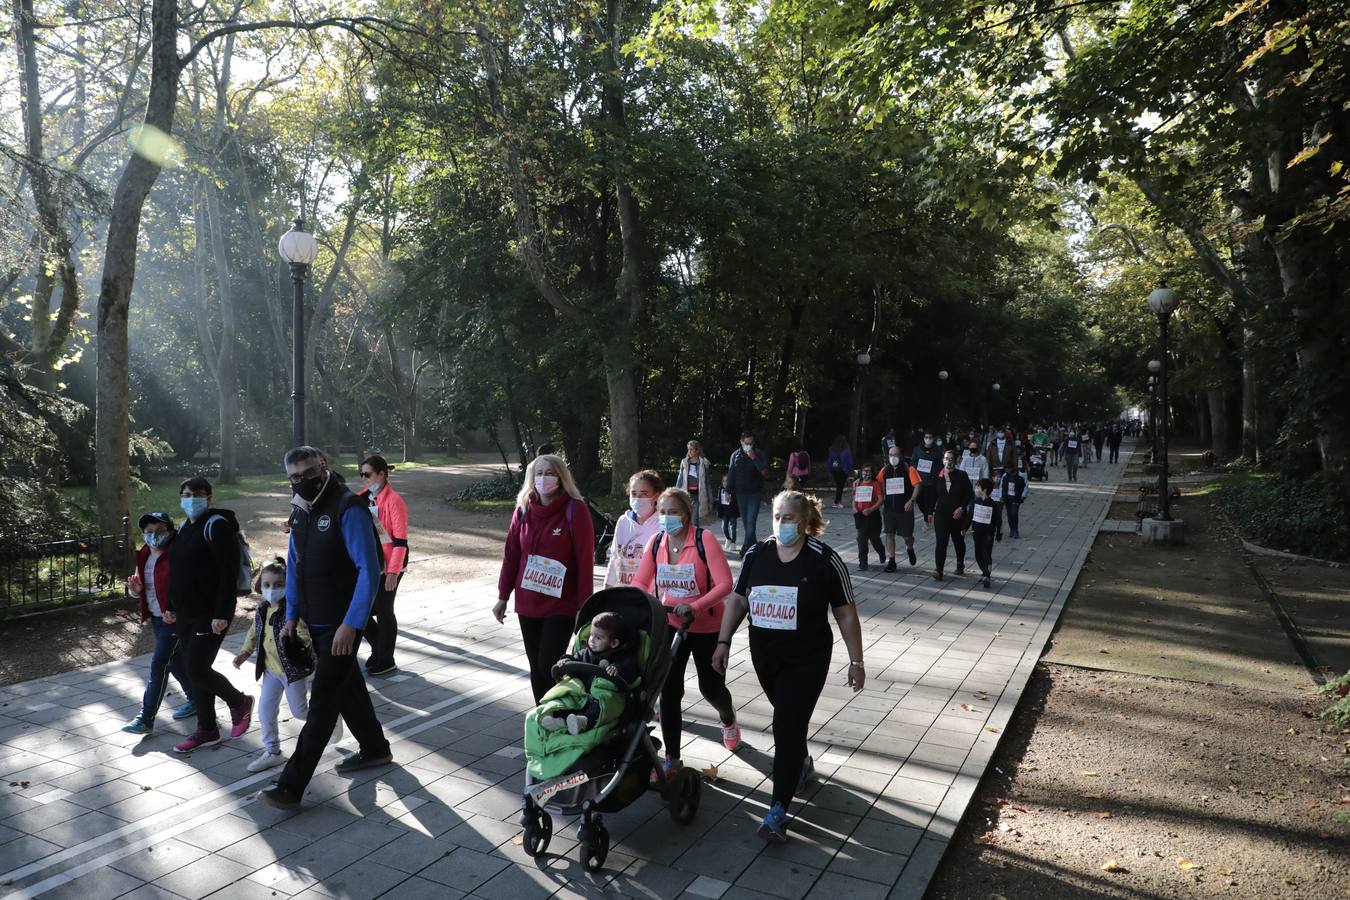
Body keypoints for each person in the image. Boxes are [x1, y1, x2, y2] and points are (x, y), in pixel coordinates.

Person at [711, 491, 865, 843]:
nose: (781, 524)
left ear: (807, 522)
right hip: (766, 656)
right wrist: (723, 642)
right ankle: (801, 763)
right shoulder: (757, 554)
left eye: (790, 518)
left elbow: (845, 612)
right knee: (789, 720)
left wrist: (856, 661)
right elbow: (738, 599)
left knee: (785, 724)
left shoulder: (824, 560)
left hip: (807, 658)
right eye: (777, 516)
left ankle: (777, 811)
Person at [261, 448, 391, 809]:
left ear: (325, 467)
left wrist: (352, 625)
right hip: (313, 623)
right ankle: (376, 748)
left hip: (340, 625)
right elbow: (295, 566)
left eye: (309, 472)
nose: (302, 481)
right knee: (347, 686)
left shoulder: (348, 508)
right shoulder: (300, 511)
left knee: (322, 704)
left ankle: (290, 785)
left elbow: (369, 569)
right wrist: (291, 616)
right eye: (294, 477)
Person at [633, 488, 739, 777]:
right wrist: (642, 606)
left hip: (707, 625)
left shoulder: (704, 540)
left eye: (674, 512)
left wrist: (696, 606)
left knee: (711, 688)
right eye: (663, 512)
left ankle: (727, 718)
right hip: (670, 624)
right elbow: (641, 583)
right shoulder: (656, 543)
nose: (667, 518)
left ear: (687, 514)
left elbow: (724, 584)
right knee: (669, 691)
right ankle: (672, 759)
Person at [495, 453, 596, 702]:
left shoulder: (576, 509)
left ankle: (559, 711)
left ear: (561, 478)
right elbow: (511, 555)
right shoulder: (523, 509)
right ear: (531, 478)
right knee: (536, 668)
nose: (544, 478)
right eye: (539, 473)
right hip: (529, 602)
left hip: (561, 604)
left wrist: (585, 606)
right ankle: (544, 718)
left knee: (548, 665)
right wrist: (502, 597)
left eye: (550, 473)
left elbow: (585, 560)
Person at [169, 477, 253, 754]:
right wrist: (170, 606)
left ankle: (239, 701)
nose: (190, 498)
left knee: (196, 668)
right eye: (186, 494)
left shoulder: (217, 526)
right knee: (196, 671)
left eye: (196, 494)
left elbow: (228, 572)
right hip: (186, 612)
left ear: (209, 497)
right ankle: (207, 730)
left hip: (210, 613)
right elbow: (178, 570)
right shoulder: (185, 527)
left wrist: (221, 613)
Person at [233, 559, 329, 772]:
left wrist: (293, 635)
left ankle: (328, 718)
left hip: (292, 671)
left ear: (289, 586)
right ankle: (272, 751)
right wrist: (244, 652)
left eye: (278, 585)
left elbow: (305, 636)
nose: (272, 590)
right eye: (267, 585)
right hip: (270, 671)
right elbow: (254, 632)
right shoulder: (261, 610)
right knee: (266, 711)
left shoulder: (292, 611)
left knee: (299, 710)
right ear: (260, 586)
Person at [122, 512, 195, 734]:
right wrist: (135, 591)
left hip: (175, 618)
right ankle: (198, 699)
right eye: (149, 531)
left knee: (159, 663)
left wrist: (177, 610)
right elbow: (141, 588)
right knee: (174, 661)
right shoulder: (144, 554)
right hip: (156, 617)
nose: (154, 535)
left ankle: (146, 717)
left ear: (171, 531)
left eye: (160, 530)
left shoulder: (178, 553)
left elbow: (189, 585)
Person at [538, 611, 640, 735]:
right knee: (567, 697)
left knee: (603, 705)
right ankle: (559, 720)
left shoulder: (622, 657)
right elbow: (575, 659)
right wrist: (566, 661)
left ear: (614, 643)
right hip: (583, 695)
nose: (592, 640)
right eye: (591, 635)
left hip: (603, 698)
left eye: (598, 638)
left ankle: (584, 721)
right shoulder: (585, 653)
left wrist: (618, 668)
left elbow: (630, 670)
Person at [355, 455, 409, 677]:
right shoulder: (361, 498)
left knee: (385, 610)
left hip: (390, 562)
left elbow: (400, 542)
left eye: (367, 474)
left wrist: (393, 572)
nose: (364, 479)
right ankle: (380, 649)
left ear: (382, 474)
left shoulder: (394, 501)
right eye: (362, 475)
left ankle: (386, 658)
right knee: (361, 609)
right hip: (370, 562)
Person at [606, 470, 664, 588]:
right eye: (634, 494)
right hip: (624, 593)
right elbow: (615, 558)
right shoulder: (623, 522)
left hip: (651, 596)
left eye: (644, 494)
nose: (638, 498)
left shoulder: (662, 523)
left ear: (656, 496)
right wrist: (606, 590)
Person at [927, 448, 974, 581]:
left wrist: (962, 508)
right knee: (941, 542)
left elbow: (969, 494)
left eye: (951, 459)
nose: (948, 462)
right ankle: (939, 569)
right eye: (946, 459)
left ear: (956, 461)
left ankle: (960, 562)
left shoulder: (962, 475)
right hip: (941, 514)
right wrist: (929, 511)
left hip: (957, 515)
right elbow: (933, 495)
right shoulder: (938, 475)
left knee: (958, 541)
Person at [879, 447, 923, 570]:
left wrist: (911, 500)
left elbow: (918, 486)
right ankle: (892, 561)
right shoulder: (885, 470)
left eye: (896, 455)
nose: (893, 457)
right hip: (889, 509)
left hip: (905, 510)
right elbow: (877, 483)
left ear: (900, 456)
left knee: (907, 537)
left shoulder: (909, 469)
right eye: (891, 455)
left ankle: (910, 548)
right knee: (889, 534)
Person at [729, 432, 769, 556]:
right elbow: (731, 473)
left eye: (751, 443)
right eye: (746, 443)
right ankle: (754, 548)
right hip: (740, 494)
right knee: (746, 523)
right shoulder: (735, 455)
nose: (749, 446)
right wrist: (728, 491)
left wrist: (754, 458)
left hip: (754, 493)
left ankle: (746, 548)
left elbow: (765, 472)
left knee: (751, 521)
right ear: (741, 442)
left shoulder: (759, 454)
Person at [851, 462, 885, 572]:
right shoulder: (857, 484)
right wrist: (855, 509)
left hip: (873, 516)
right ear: (861, 472)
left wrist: (871, 509)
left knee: (874, 538)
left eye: (869, 471)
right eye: (865, 471)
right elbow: (854, 498)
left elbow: (881, 499)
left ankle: (881, 552)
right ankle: (863, 562)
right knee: (861, 539)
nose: (867, 473)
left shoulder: (875, 484)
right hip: (860, 516)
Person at [910, 430, 944, 523]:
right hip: (919, 480)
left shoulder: (937, 450)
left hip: (932, 481)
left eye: (930, 437)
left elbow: (941, 465)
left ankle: (927, 518)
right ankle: (927, 514)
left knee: (930, 501)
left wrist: (932, 468)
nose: (928, 439)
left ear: (933, 439)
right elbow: (913, 462)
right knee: (920, 502)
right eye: (926, 437)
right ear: (923, 438)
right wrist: (918, 467)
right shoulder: (917, 450)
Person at [675, 441, 712, 525]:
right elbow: (680, 479)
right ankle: (691, 536)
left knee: (694, 519)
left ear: (697, 450)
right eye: (688, 449)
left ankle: (695, 536)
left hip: (698, 495)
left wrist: (710, 498)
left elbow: (707, 482)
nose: (689, 452)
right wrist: (676, 493)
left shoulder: (704, 463)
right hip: (686, 494)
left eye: (691, 449)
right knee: (686, 519)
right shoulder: (684, 462)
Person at [970, 478, 997, 589]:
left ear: (984, 490)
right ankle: (985, 570)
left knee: (986, 553)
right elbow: (969, 516)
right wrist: (964, 528)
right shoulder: (975, 502)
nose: (976, 489)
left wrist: (998, 532)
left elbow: (997, 519)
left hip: (988, 533)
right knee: (978, 555)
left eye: (978, 486)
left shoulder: (992, 504)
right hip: (976, 532)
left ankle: (987, 575)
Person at [1000, 464, 1028, 540]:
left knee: (1014, 513)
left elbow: (1026, 486)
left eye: (1008, 468)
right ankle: (1012, 529)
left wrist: (1023, 495)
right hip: (1007, 498)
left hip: (1016, 498)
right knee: (1009, 515)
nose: (1007, 470)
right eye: (1006, 469)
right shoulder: (1005, 476)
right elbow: (1001, 486)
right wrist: (1001, 496)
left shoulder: (1021, 475)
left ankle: (1015, 530)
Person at [826, 435, 853, 509]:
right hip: (843, 470)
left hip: (834, 470)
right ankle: (836, 502)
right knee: (840, 486)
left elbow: (829, 460)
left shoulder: (832, 449)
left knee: (838, 485)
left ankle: (838, 501)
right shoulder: (846, 450)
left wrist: (829, 469)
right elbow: (849, 460)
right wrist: (850, 469)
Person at [717, 475, 739, 551]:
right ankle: (728, 538)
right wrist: (718, 510)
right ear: (722, 482)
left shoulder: (733, 490)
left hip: (732, 511)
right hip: (724, 512)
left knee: (733, 527)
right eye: (724, 481)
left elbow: (737, 499)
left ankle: (733, 542)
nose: (725, 483)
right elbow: (719, 501)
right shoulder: (720, 489)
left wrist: (732, 497)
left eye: (727, 481)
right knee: (724, 527)